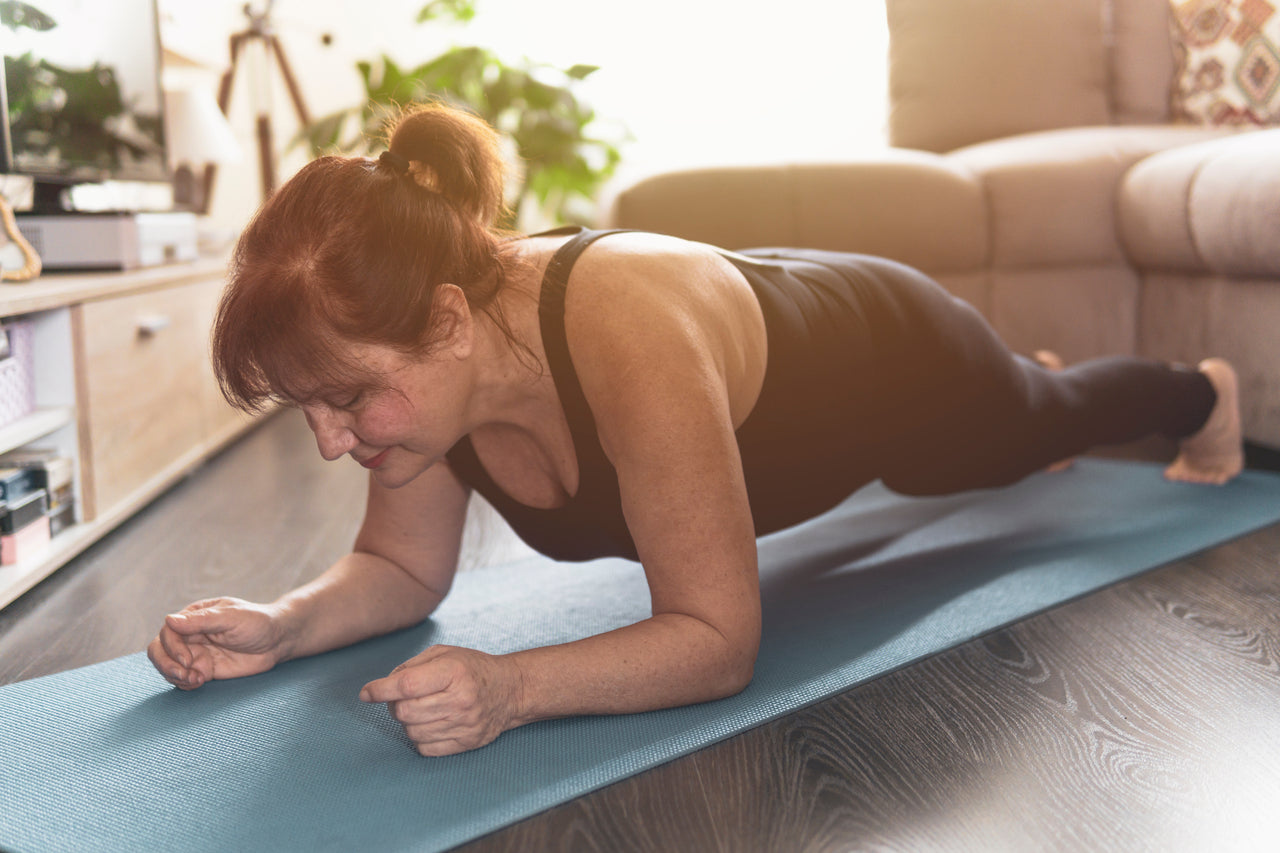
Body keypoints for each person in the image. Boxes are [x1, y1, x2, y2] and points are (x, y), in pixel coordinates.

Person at [147, 103, 1244, 757]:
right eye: (311, 410)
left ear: (442, 322)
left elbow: (717, 640)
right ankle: (1017, 390)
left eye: (346, 398)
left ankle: (1192, 391)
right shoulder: (436, 380)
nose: (333, 441)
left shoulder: (624, 332)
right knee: (1000, 433)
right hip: (781, 354)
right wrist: (283, 623)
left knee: (1019, 432)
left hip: (886, 348)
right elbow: (399, 562)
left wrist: (513, 687)